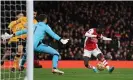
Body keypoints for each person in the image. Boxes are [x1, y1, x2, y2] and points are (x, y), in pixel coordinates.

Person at [1, 14, 69, 75]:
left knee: (25, 55)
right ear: (45, 20)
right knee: (56, 53)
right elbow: (53, 34)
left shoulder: (33, 25)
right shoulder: (45, 26)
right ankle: (54, 68)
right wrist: (61, 40)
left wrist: (11, 35)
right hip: (37, 45)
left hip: (28, 45)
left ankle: (21, 66)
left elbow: (22, 31)